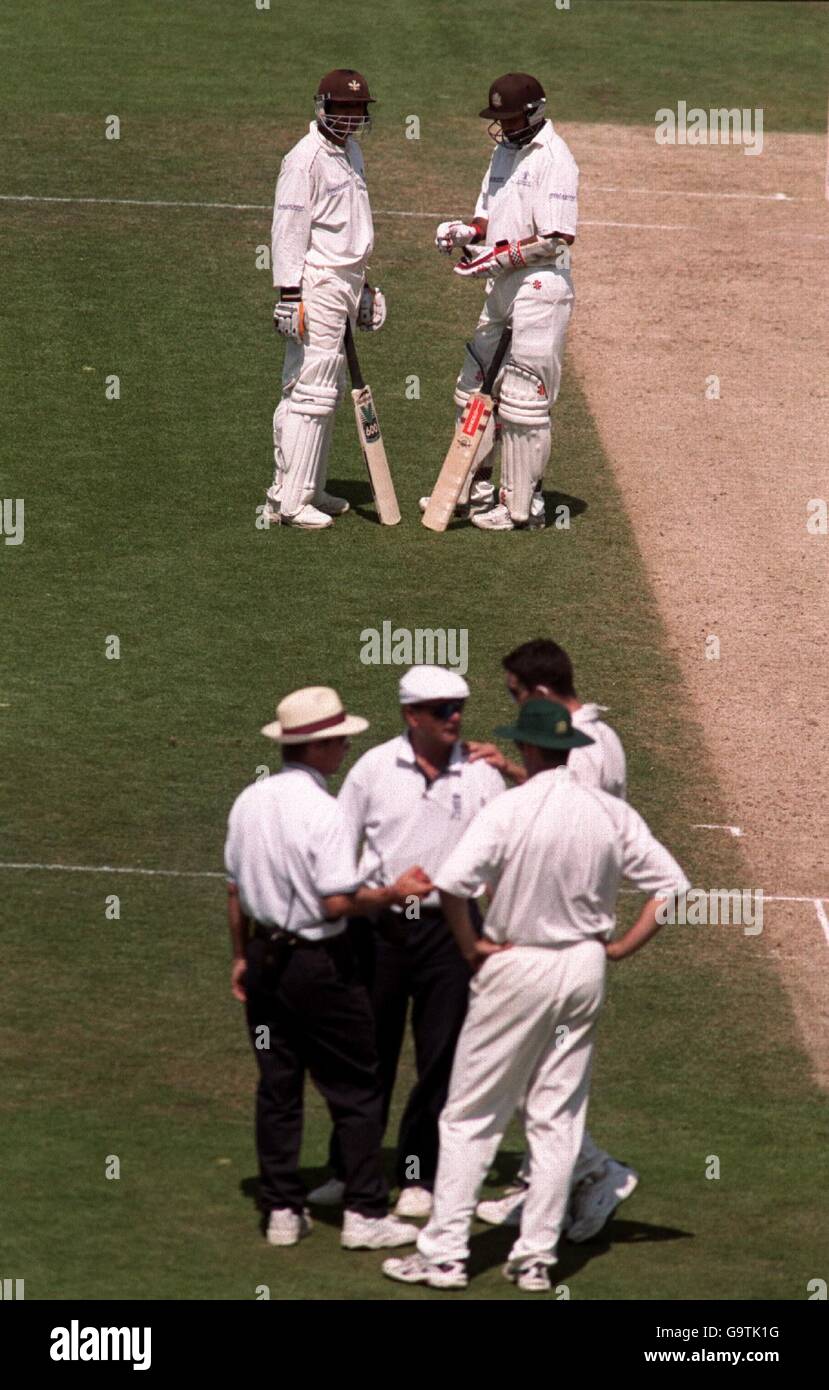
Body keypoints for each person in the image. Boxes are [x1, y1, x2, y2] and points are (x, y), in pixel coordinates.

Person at [382, 700, 689, 1292]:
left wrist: (470, 946)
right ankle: (536, 1260)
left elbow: (451, 884)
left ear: (525, 748)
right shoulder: (609, 812)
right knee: (556, 1120)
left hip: (516, 964)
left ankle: (444, 1254)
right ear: (571, 748)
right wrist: (620, 946)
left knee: (471, 1114)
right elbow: (673, 887)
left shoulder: (509, 807)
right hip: (582, 968)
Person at [224, 685, 430, 1250]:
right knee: (358, 1086)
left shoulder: (249, 800)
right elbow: (337, 903)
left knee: (278, 1087)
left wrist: (242, 956)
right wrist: (392, 893)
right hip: (320, 966)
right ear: (318, 747)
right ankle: (365, 1212)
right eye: (338, 739)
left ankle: (282, 1209)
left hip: (267, 960)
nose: (343, 748)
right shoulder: (325, 811)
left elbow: (236, 892)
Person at [307, 666, 505, 1219]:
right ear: (410, 716)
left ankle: (419, 1173)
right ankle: (350, 1170)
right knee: (369, 1055)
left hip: (451, 928)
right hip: (382, 929)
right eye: (442, 709)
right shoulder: (373, 770)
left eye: (459, 706)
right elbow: (339, 850)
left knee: (440, 1057)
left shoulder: (482, 775)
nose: (455, 717)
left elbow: (504, 850)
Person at [467, 638, 634, 1238]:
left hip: (556, 933)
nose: (512, 707)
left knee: (532, 1074)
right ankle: (549, 1186)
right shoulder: (598, 738)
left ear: (539, 692)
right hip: (575, 929)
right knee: (541, 1072)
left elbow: (566, 829)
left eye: (515, 695)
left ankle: (598, 1173)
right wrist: (513, 770)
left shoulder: (584, 753)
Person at [421, 73, 578, 531]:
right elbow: (488, 214)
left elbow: (557, 236)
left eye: (510, 118)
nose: (503, 126)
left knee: (523, 401)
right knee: (472, 386)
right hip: (503, 284)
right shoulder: (503, 152)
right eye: (499, 119)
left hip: (541, 286)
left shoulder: (556, 159)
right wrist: (467, 233)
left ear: (533, 113)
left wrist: (494, 257)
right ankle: (472, 488)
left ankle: (521, 506)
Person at [264, 69, 386, 530]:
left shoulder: (351, 152)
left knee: (325, 391)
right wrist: (289, 295)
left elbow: (350, 224)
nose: (352, 118)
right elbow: (288, 231)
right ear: (324, 109)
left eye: (359, 110)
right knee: (309, 389)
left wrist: (364, 286)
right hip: (315, 284)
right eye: (344, 109)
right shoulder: (304, 160)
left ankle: (307, 489)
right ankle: (290, 502)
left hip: (345, 281)